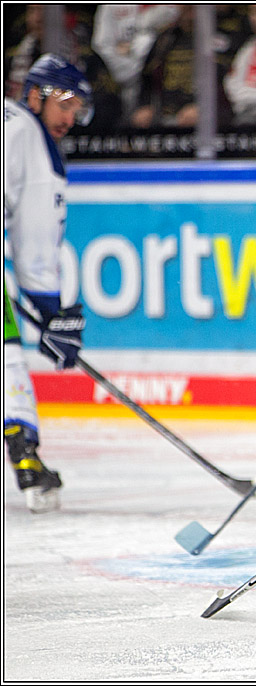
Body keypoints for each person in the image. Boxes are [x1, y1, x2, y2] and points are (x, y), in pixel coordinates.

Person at [4, 54, 92, 513]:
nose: (69, 118)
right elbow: (36, 248)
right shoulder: (31, 135)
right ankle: (25, 459)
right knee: (6, 352)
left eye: (77, 109)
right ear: (34, 95)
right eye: (64, 104)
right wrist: (52, 312)